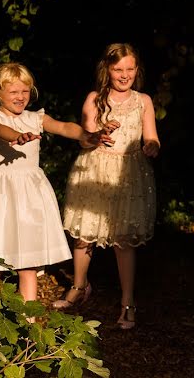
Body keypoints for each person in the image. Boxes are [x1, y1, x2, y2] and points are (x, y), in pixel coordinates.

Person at [0, 63, 115, 310]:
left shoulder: (36, 118)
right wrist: (16, 136)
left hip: (29, 198)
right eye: (13, 92)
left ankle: (28, 325)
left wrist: (88, 135)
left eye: (25, 91)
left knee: (27, 263)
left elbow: (64, 126)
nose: (20, 97)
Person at [53, 43, 160, 330]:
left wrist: (151, 146)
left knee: (123, 240)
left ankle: (127, 301)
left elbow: (151, 136)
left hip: (128, 172)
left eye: (129, 69)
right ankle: (78, 286)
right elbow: (84, 138)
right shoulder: (95, 98)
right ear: (107, 70)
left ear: (137, 70)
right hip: (95, 170)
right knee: (85, 234)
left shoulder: (143, 101)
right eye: (118, 69)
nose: (124, 75)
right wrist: (100, 133)